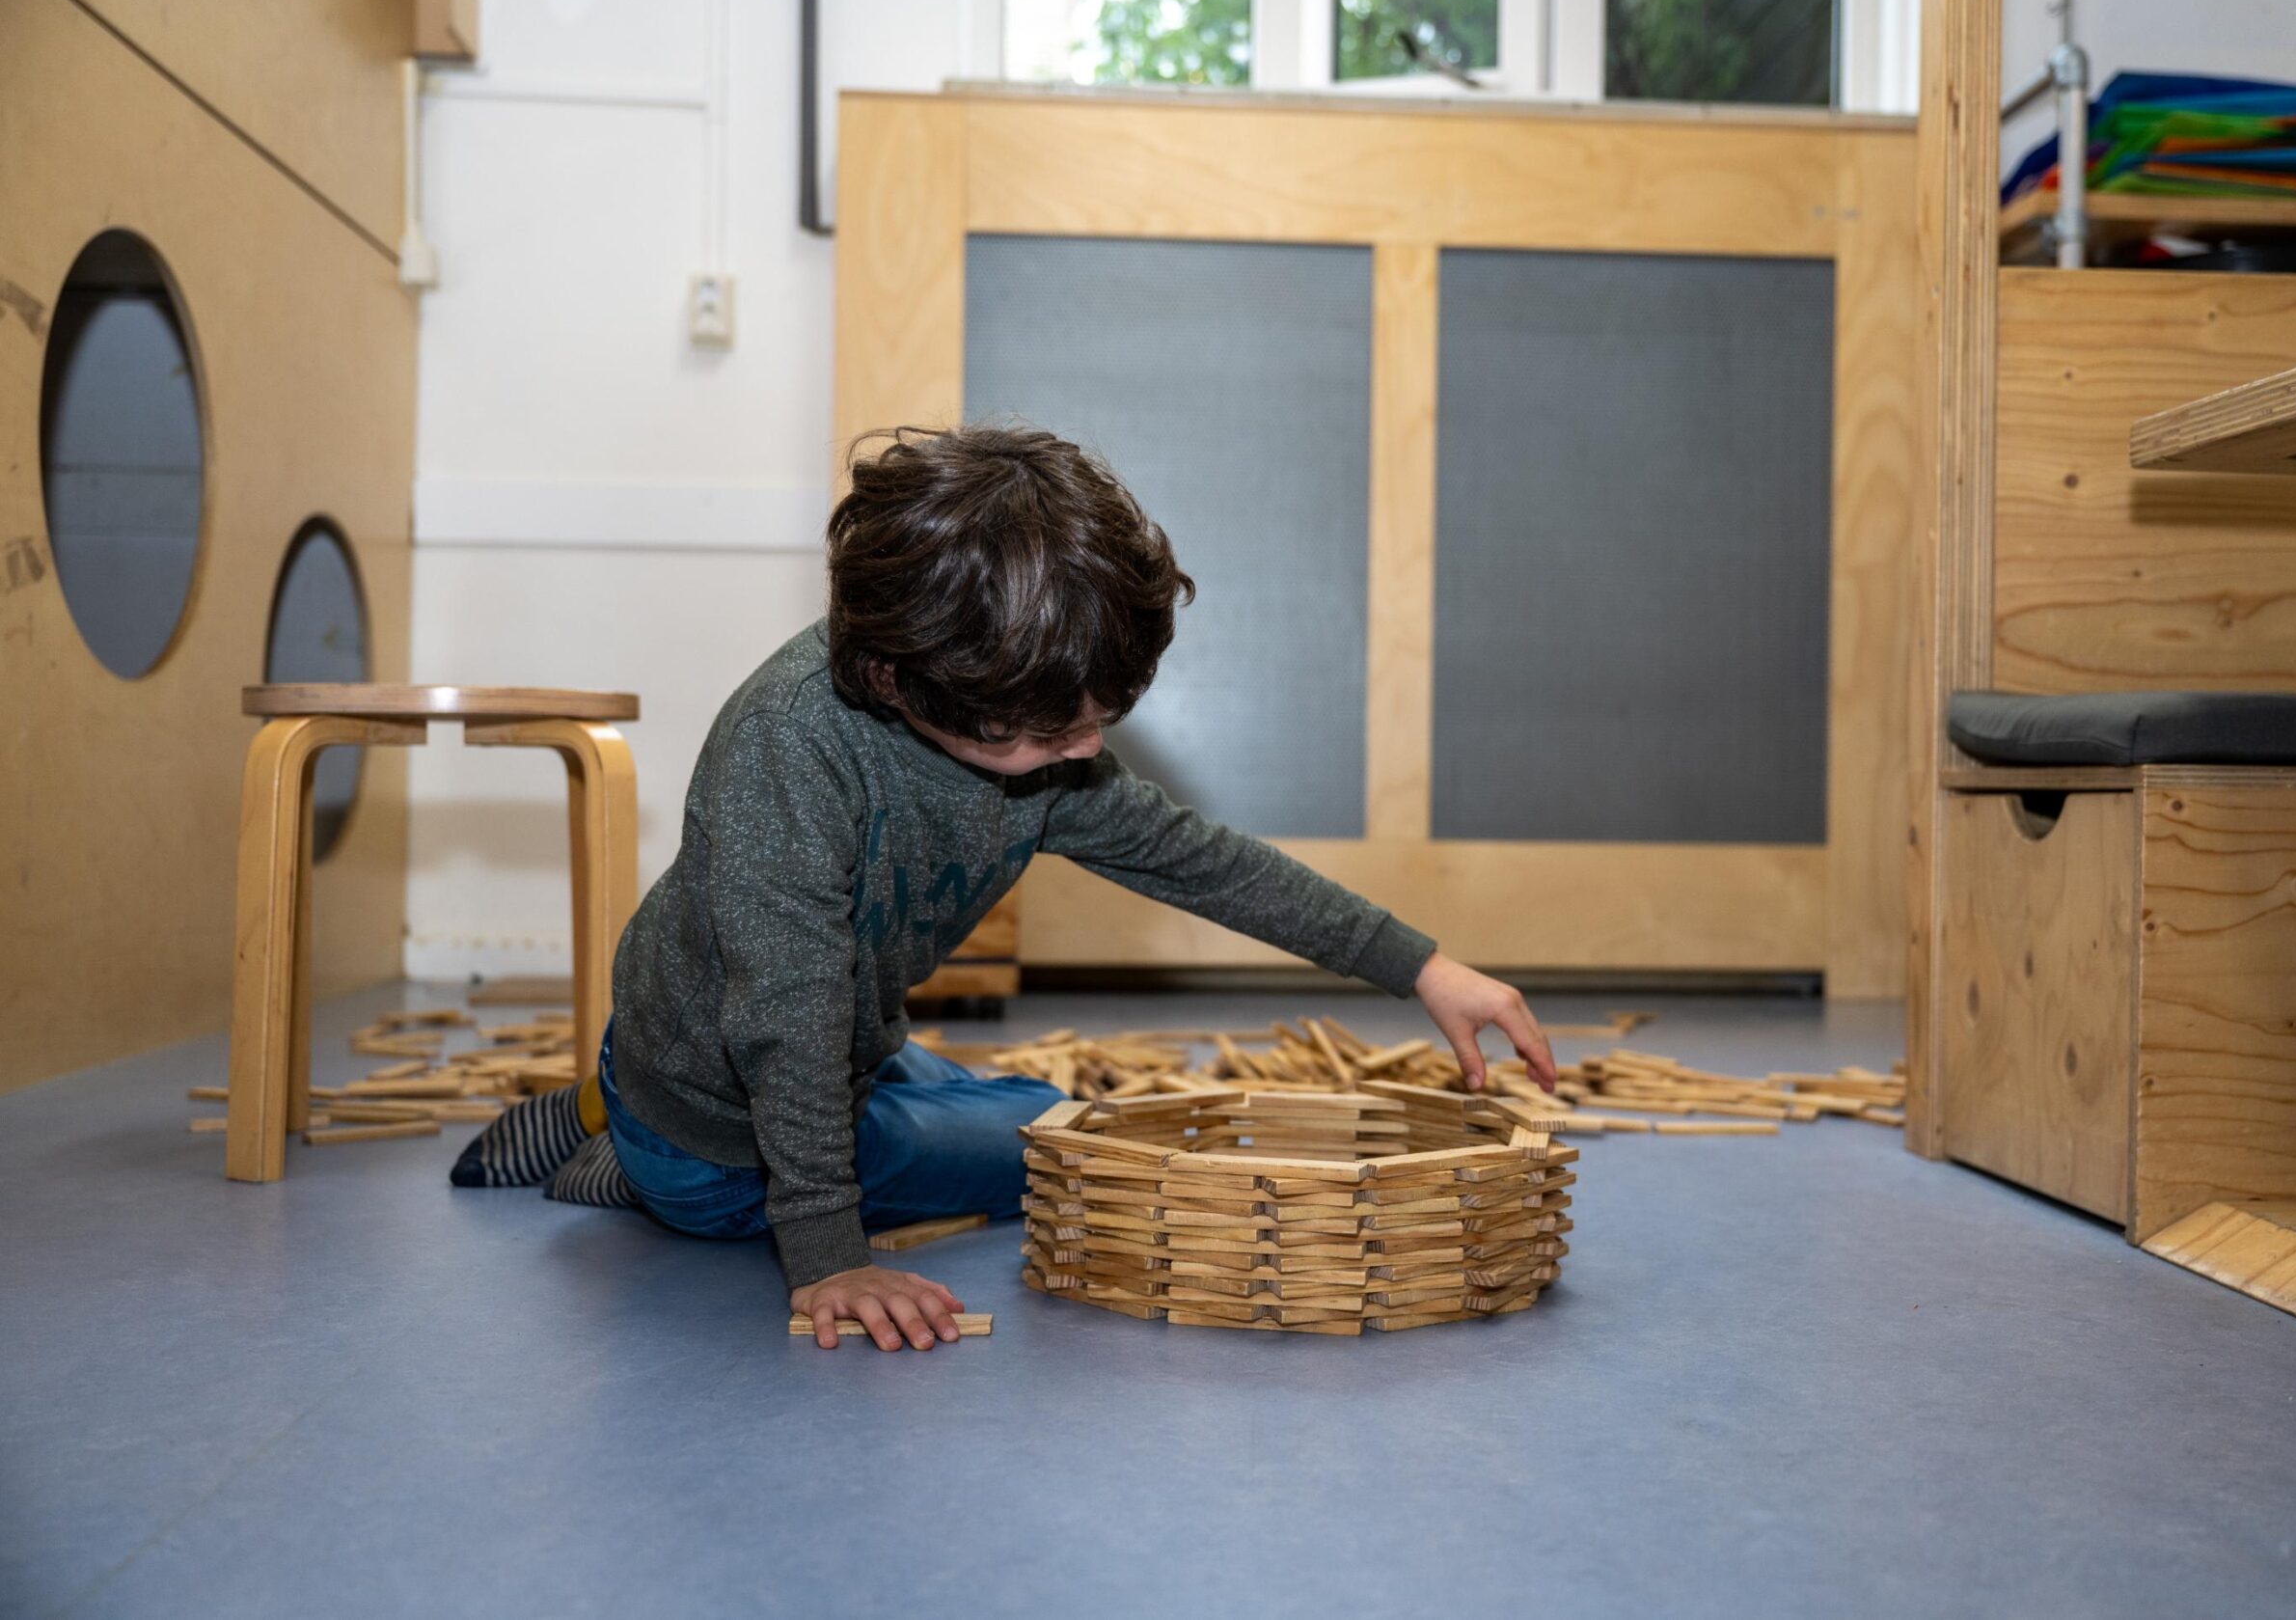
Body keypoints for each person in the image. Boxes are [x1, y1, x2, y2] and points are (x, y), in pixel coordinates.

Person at [454, 423, 1557, 1351]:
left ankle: (609, 1106)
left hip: (819, 1049)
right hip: (727, 1122)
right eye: (1048, 731)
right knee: (1049, 1132)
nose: (1082, 751)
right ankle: (642, 1169)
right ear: (894, 679)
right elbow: (786, 1023)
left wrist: (1422, 965)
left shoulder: (1021, 725)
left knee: (956, 1091)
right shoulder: (784, 751)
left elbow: (1200, 861)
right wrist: (831, 1261)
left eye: (1097, 721)